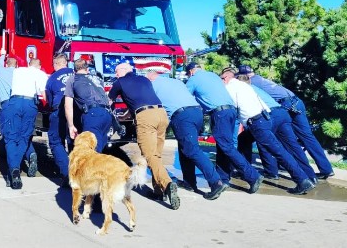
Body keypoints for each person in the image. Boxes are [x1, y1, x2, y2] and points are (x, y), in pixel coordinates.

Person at [220, 68, 315, 194]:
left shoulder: (230, 87)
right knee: (244, 139)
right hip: (265, 117)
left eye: (221, 79)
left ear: (226, 78)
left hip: (256, 122)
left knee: (278, 151)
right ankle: (246, 170)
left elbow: (230, 108)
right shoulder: (243, 85)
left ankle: (302, 180)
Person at [237, 65, 334, 179]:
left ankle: (272, 171)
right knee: (307, 137)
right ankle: (326, 169)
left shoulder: (249, 84)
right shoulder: (261, 79)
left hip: (284, 105)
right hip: (296, 101)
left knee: (270, 137)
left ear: (243, 75)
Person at [108, 62, 180, 210]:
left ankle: (167, 184)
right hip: (161, 114)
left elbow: (108, 102)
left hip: (145, 119)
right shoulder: (144, 80)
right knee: (156, 155)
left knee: (149, 155)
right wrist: (128, 115)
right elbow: (140, 101)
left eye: (116, 71)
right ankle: (159, 191)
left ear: (123, 71)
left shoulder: (119, 82)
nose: (115, 74)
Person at [147, 71, 228, 201]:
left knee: (192, 150)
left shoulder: (152, 85)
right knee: (184, 148)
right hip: (196, 112)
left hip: (182, 116)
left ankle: (216, 182)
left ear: (150, 78)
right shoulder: (175, 82)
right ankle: (189, 182)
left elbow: (152, 107)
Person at [185, 62, 263, 194]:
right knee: (223, 147)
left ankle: (253, 176)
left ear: (191, 71)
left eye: (188, 74)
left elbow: (185, 98)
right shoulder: (213, 76)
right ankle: (223, 179)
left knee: (227, 147)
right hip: (231, 111)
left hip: (219, 113)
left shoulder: (193, 79)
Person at [2, 58, 48, 190]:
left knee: (11, 138)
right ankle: (15, 169)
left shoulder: (18, 71)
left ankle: (14, 171)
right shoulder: (41, 74)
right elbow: (44, 96)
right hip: (29, 104)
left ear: (28, 64)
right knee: (24, 138)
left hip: (14, 102)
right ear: (39, 66)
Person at [64, 58, 113, 154]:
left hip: (92, 115)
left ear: (74, 70)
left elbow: (68, 105)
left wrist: (70, 126)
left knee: (91, 152)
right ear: (87, 69)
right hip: (107, 115)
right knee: (99, 150)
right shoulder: (98, 79)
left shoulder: (73, 79)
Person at [45, 53, 74, 186]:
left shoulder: (52, 78)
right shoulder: (76, 73)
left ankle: (67, 175)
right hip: (76, 111)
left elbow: (49, 100)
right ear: (66, 63)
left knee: (56, 141)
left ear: (56, 64)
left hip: (59, 111)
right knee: (74, 141)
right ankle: (79, 173)